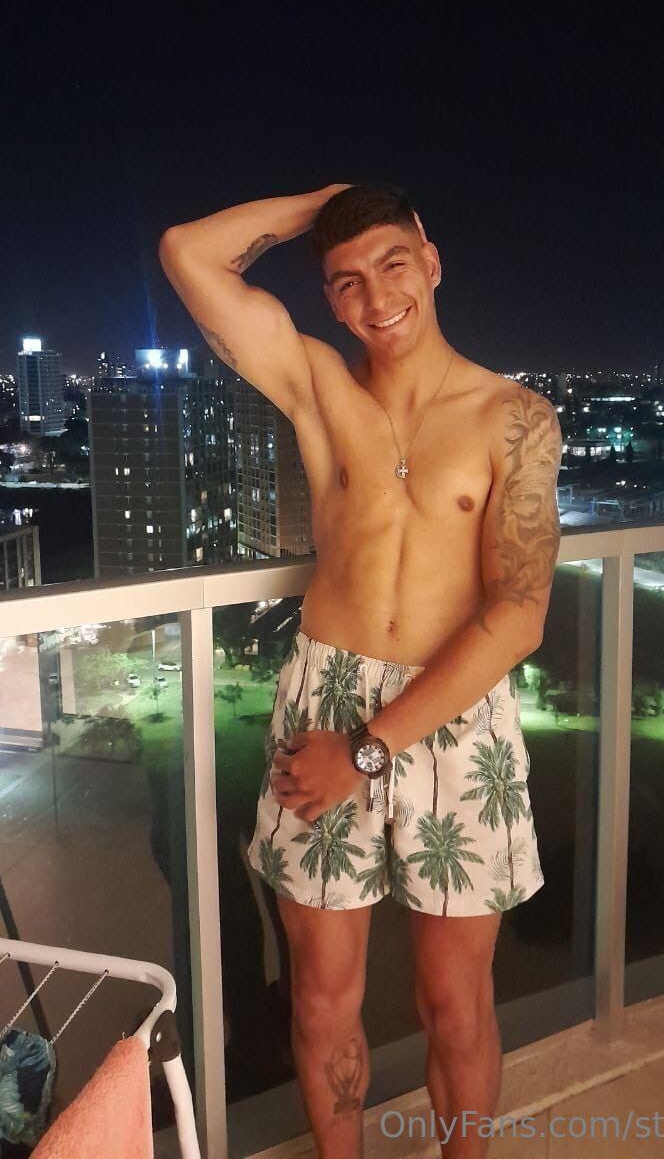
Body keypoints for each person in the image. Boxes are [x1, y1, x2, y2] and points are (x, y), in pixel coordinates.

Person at [158, 182, 562, 1159]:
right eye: (346, 281)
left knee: (454, 1003)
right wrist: (326, 203)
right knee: (321, 999)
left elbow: (518, 615)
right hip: (326, 694)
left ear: (433, 260)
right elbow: (185, 252)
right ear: (331, 302)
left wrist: (368, 749)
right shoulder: (320, 391)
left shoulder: (514, 417)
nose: (376, 296)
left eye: (393, 263)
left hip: (455, 711)